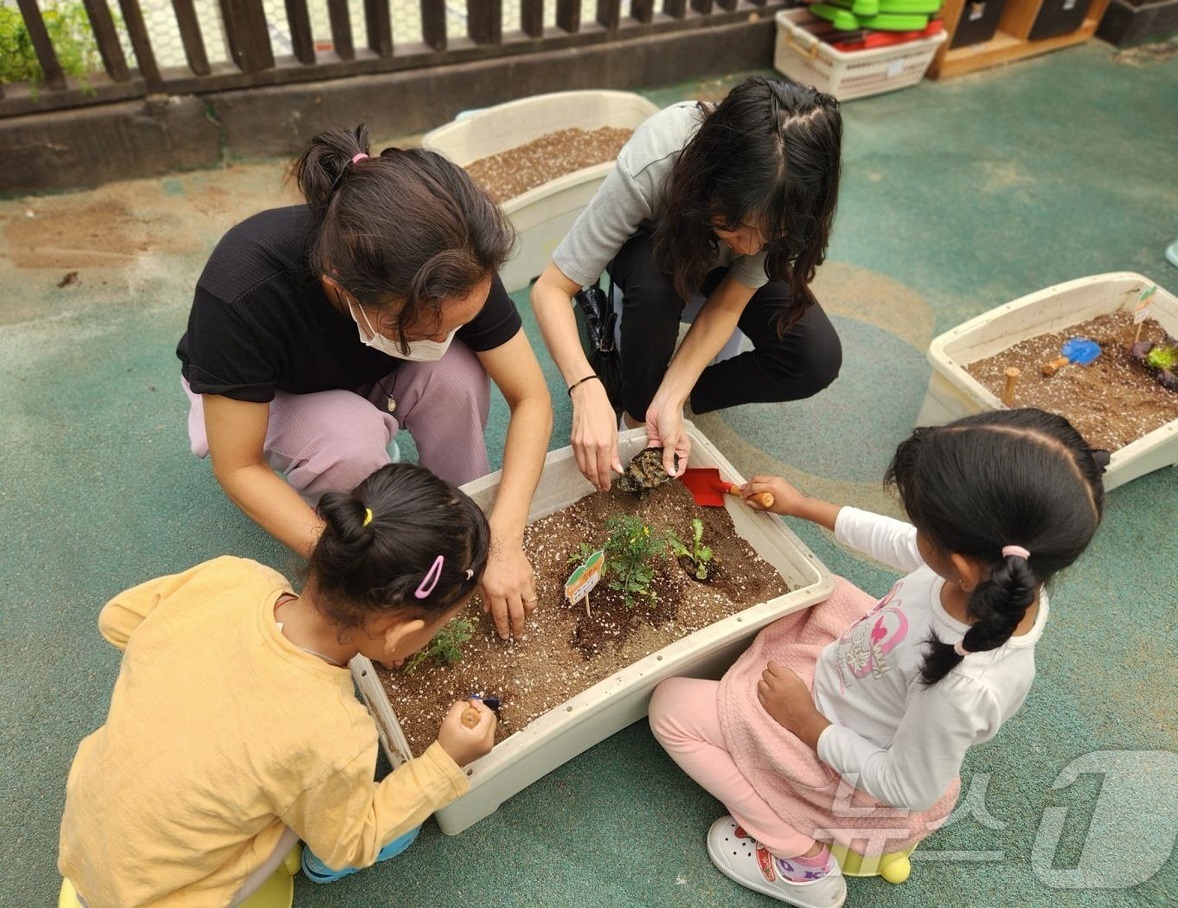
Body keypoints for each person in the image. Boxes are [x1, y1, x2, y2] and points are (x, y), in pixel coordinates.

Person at [648, 409, 1107, 907]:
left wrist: (805, 722)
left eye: (921, 524)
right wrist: (804, 505)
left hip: (841, 756)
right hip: (857, 678)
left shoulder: (963, 686)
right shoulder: (1006, 577)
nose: (912, 532)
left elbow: (904, 786)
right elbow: (899, 543)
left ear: (959, 565)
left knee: (670, 709)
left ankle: (801, 861)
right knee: (816, 596)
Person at [59, 462, 497, 903]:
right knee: (302, 804)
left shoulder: (233, 577)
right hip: (165, 896)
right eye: (444, 623)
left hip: (84, 834)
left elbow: (116, 619)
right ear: (400, 635)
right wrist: (445, 760)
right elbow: (352, 841)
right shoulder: (333, 734)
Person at [177, 125, 553, 639]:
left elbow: (530, 397)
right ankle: (375, 537)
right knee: (347, 441)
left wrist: (505, 538)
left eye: (460, 324)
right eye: (428, 328)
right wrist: (352, 567)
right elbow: (238, 466)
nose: (448, 336)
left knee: (457, 376)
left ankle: (463, 524)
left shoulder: (456, 259)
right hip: (269, 398)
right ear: (341, 287)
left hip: (374, 363)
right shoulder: (244, 290)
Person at [530, 76, 843, 490]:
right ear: (710, 182)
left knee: (815, 357)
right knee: (655, 276)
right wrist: (585, 388)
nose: (752, 247)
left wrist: (672, 396)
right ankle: (636, 417)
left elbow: (729, 305)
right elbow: (551, 289)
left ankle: (659, 402)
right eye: (738, 226)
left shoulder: (792, 195)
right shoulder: (658, 158)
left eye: (770, 235)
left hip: (716, 267)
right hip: (655, 252)